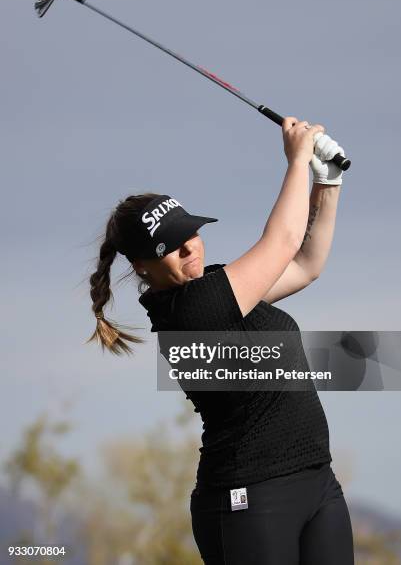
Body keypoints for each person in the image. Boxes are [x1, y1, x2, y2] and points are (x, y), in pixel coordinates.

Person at [87, 117, 354, 564]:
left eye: (190, 233)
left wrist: (328, 181)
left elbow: (306, 263)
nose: (191, 247)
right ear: (141, 268)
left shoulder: (219, 288)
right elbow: (284, 240)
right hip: (251, 495)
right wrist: (295, 161)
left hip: (317, 480)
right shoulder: (192, 311)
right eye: (170, 247)